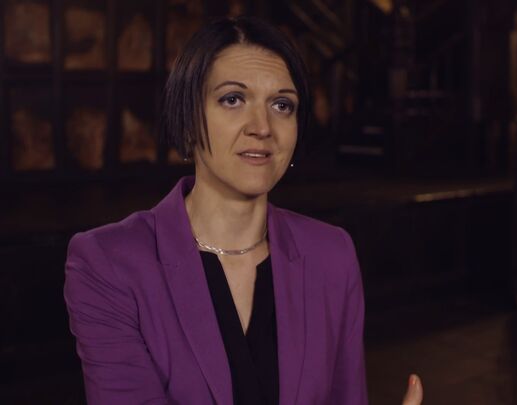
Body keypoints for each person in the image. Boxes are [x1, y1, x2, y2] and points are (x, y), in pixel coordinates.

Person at [64, 15, 423, 405]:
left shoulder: (332, 255)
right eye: (232, 99)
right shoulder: (108, 263)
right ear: (188, 121)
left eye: (282, 105)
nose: (262, 127)